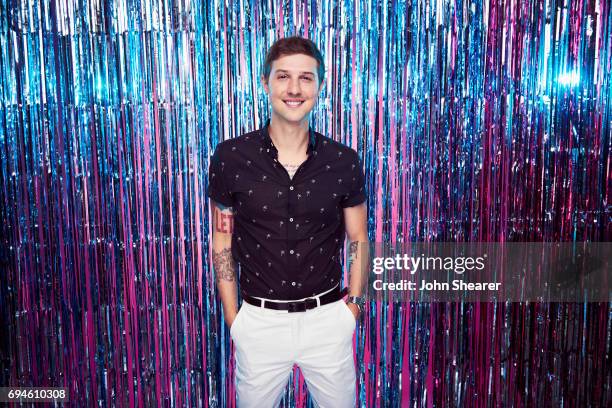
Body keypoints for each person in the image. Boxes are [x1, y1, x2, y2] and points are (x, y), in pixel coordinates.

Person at [207, 36, 368, 408]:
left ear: (320, 86)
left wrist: (353, 308)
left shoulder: (344, 161)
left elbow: (358, 236)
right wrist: (235, 319)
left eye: (305, 78)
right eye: (283, 77)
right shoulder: (230, 158)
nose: (294, 89)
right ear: (265, 83)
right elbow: (222, 240)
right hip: (259, 324)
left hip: (328, 321)